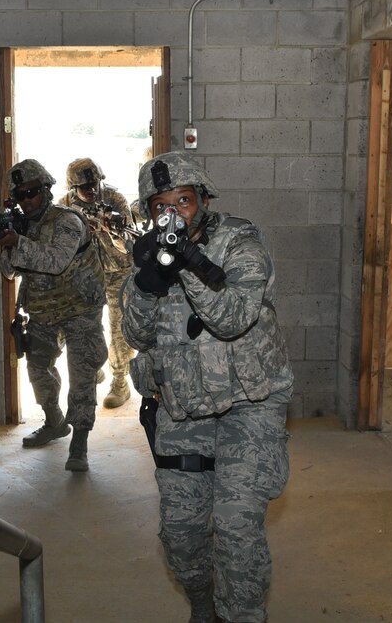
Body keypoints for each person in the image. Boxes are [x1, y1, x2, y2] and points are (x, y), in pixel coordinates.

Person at [121, 152, 293, 623]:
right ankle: (203, 605)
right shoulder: (149, 252)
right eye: (161, 206)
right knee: (182, 535)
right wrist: (147, 285)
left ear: (203, 200)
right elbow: (135, 336)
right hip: (184, 408)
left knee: (236, 530)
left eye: (183, 201)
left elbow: (233, 318)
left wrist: (189, 265)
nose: (173, 213)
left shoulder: (240, 242)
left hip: (250, 405)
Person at [0, 159, 108, 472]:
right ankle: (55, 421)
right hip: (44, 308)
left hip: (80, 308)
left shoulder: (67, 220)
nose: (27, 200)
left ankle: (80, 440)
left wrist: (19, 242)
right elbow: (9, 272)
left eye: (31, 192)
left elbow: (57, 261)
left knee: (81, 373)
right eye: (20, 195)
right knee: (37, 365)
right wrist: (9, 243)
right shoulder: (22, 225)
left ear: (45, 189)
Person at [59, 157, 137, 409]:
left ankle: (120, 381)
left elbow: (128, 245)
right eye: (85, 187)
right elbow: (60, 247)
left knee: (118, 329)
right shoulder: (64, 206)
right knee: (84, 329)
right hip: (85, 276)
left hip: (117, 273)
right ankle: (95, 368)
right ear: (73, 187)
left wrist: (111, 230)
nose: (92, 189)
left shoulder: (114, 200)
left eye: (95, 183)